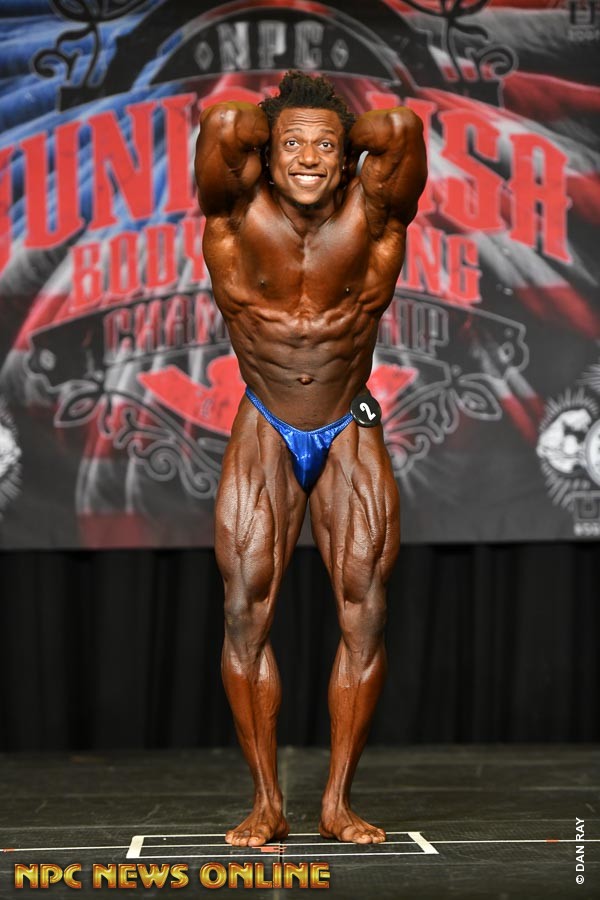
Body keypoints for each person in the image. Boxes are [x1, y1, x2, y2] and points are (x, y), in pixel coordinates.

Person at [194, 71, 427, 847]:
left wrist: (336, 138)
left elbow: (399, 129)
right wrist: (281, 131)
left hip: (346, 423)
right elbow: (225, 123)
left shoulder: (375, 212)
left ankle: (337, 802)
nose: (307, 158)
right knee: (243, 613)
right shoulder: (235, 214)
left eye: (325, 147)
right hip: (265, 419)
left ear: (348, 156)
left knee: (366, 612)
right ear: (265, 154)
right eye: (290, 144)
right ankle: (266, 801)